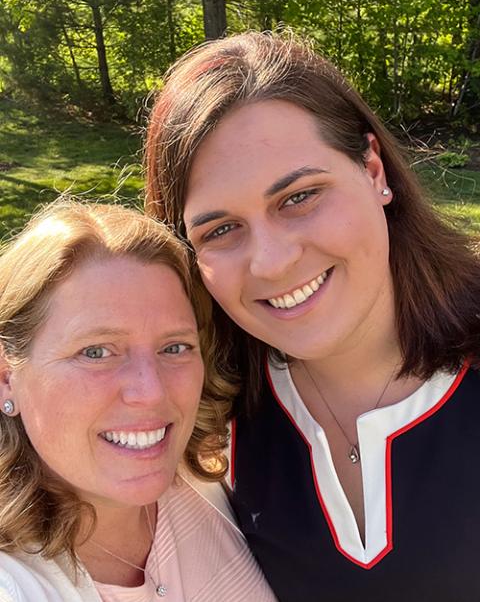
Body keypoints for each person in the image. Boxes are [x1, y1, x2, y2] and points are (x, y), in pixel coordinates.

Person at [144, 31, 480, 601]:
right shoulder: (208, 422)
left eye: (299, 196)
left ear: (374, 170)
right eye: (220, 229)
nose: (272, 263)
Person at [0, 199, 276, 602]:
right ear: (7, 378)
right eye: (96, 352)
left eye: (175, 347)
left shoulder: (208, 483)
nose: (151, 392)